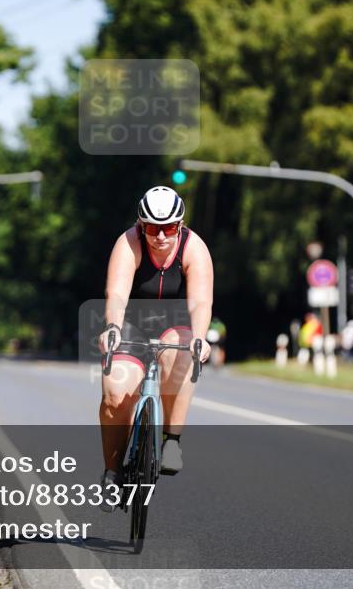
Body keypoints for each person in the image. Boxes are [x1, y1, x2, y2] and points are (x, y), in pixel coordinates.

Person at [97, 186, 214, 512]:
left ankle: (172, 439)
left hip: (175, 327)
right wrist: (113, 330)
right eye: (152, 228)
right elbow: (117, 294)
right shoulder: (128, 243)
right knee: (115, 396)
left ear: (180, 225)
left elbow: (202, 301)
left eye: (169, 228)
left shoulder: (194, 248)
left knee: (180, 355)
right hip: (131, 326)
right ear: (140, 224)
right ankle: (112, 471)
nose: (161, 236)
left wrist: (200, 337)